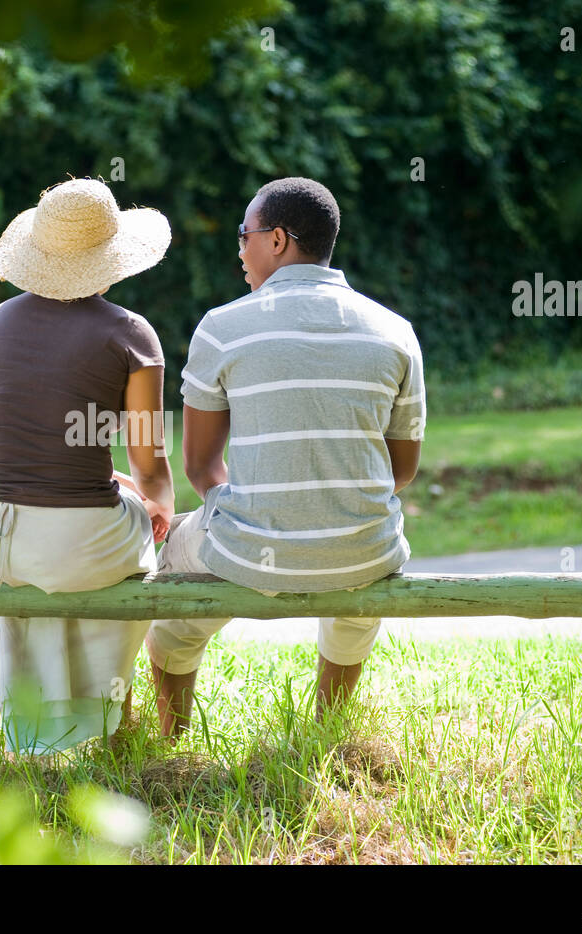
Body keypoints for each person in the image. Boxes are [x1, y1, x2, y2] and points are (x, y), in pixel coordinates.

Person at [145, 176, 425, 737]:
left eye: (244, 234)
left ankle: (171, 740)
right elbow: (402, 471)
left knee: (174, 585)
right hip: (365, 550)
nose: (239, 249)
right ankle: (325, 736)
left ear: (277, 240)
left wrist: (251, 512)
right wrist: (331, 508)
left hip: (246, 548)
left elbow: (201, 467)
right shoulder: (395, 332)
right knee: (355, 600)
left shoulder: (222, 328)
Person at [0, 177, 176, 755]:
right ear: (112, 258)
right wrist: (156, 505)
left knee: (63, 554)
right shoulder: (129, 333)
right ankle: (116, 723)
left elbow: (31, 439)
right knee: (136, 550)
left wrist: (110, 485)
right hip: (75, 538)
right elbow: (149, 461)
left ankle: (38, 730)